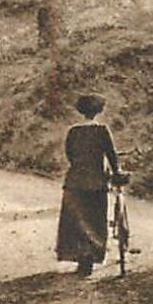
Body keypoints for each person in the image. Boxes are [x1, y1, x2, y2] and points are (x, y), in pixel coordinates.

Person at [55, 93, 119, 277]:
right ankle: (90, 257)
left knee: (76, 222)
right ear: (98, 110)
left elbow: (70, 155)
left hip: (75, 181)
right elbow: (111, 155)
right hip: (96, 182)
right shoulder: (102, 131)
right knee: (95, 220)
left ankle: (81, 257)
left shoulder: (73, 131)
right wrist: (116, 172)